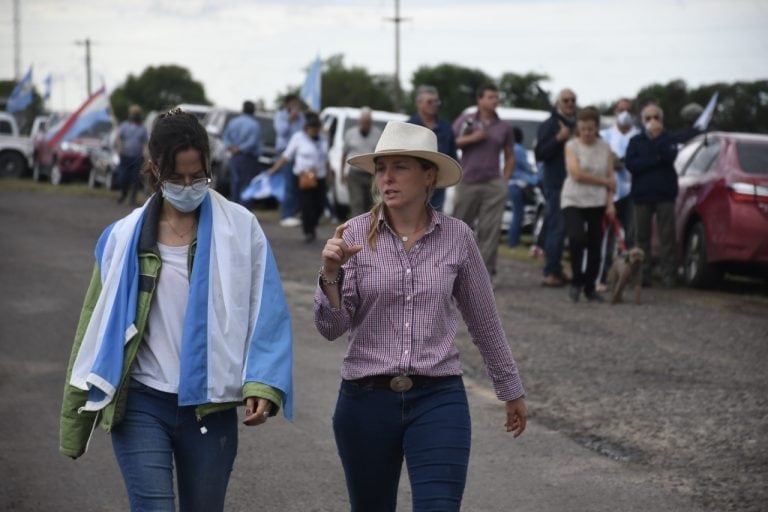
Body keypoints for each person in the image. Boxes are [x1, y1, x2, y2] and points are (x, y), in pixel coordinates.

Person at [59, 109, 294, 512]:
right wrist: (74, 417)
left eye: (197, 176)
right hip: (142, 403)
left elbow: (266, 312)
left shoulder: (242, 229)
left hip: (209, 407)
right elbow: (93, 328)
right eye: (176, 178)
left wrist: (263, 384)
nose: (188, 186)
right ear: (154, 170)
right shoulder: (121, 238)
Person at [314, 121, 527, 511]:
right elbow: (331, 327)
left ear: (429, 175)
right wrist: (331, 274)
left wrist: (510, 389)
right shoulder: (353, 235)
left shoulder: (458, 237)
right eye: (381, 168)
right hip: (364, 401)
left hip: (438, 397)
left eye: (400, 167)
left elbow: (484, 322)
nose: (387, 178)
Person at [452, 83, 515, 278]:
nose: (494, 101)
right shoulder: (466, 120)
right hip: (467, 180)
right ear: (479, 100)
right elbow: (452, 142)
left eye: (496, 97)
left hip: (492, 183)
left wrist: (504, 181)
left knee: (490, 230)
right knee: (460, 227)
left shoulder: (504, 127)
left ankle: (484, 276)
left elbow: (510, 155)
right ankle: (453, 271)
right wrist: (473, 138)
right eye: (490, 97)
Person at [562, 106, 616, 302]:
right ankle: (576, 280)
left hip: (597, 201)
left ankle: (590, 286)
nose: (586, 133)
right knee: (577, 238)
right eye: (583, 129)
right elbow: (576, 174)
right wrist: (603, 182)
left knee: (596, 244)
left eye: (590, 129)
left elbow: (612, 177)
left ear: (597, 128)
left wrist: (610, 202)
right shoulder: (572, 146)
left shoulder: (605, 147)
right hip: (573, 199)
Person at [625, 103, 679, 287]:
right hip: (642, 195)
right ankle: (642, 275)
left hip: (665, 194)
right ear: (642, 121)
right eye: (648, 118)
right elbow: (632, 165)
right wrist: (655, 159)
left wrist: (657, 143)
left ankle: (668, 276)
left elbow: (670, 157)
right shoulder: (636, 141)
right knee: (641, 238)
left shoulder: (669, 139)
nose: (652, 121)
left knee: (667, 237)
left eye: (656, 117)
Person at [535, 88, 577, 287]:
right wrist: (559, 139)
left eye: (572, 100)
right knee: (556, 227)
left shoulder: (578, 125)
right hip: (556, 183)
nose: (569, 103)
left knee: (568, 228)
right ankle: (550, 271)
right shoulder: (549, 125)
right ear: (558, 103)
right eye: (565, 100)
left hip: (577, 183)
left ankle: (558, 268)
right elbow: (540, 152)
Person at [597, 98, 640, 289]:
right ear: (615, 111)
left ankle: (629, 278)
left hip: (632, 192)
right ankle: (604, 274)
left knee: (631, 236)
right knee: (606, 236)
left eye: (628, 110)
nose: (624, 114)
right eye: (621, 110)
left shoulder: (639, 136)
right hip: (609, 192)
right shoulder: (605, 135)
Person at [268, 112, 328, 243]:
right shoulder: (298, 138)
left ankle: (312, 223)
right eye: (312, 128)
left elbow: (325, 159)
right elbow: (286, 156)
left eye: (316, 128)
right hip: (303, 177)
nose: (314, 131)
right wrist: (273, 169)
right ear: (307, 128)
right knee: (307, 205)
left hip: (319, 177)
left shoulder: (323, 139)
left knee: (320, 205)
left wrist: (330, 175)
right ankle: (308, 231)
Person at [407, 84, 458, 212]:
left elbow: (452, 155)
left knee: (435, 218)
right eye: (430, 102)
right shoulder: (407, 126)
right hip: (412, 182)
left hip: (438, 183)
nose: (434, 104)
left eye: (436, 101)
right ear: (419, 104)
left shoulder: (446, 126)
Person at [340, 107, 382, 217]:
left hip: (371, 174)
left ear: (371, 122)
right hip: (354, 174)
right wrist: (342, 173)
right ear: (359, 121)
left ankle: (371, 229)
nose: (365, 124)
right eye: (363, 122)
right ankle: (357, 229)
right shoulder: (350, 133)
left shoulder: (377, 134)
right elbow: (344, 154)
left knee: (372, 203)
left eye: (367, 122)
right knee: (357, 202)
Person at [274, 93, 306, 227]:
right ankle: (286, 214)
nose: (295, 106)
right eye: (292, 103)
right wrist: (290, 120)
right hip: (285, 153)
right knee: (289, 184)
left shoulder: (301, 117)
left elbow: (304, 132)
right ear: (287, 104)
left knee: (298, 185)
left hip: (299, 153)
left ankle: (294, 212)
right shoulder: (280, 115)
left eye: (296, 103)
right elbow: (281, 132)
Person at [222, 100, 261, 207]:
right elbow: (252, 142)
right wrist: (240, 149)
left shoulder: (233, 122)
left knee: (235, 182)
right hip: (248, 157)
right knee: (246, 184)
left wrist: (232, 148)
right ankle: (244, 209)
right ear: (253, 110)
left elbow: (226, 138)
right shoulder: (254, 125)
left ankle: (234, 207)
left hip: (234, 157)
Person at [507, 126, 538, 248]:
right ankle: (513, 242)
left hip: (510, 184)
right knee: (518, 215)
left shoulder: (508, 148)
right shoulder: (519, 149)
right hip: (518, 185)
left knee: (516, 213)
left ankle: (512, 240)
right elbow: (527, 167)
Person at [115, 105, 148, 206]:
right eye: (134, 114)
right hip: (125, 156)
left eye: (137, 114)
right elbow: (118, 138)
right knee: (123, 178)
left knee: (135, 179)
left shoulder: (143, 129)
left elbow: (145, 142)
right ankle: (123, 193)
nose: (135, 116)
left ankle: (133, 198)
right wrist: (120, 148)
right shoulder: (124, 126)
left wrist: (145, 153)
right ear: (130, 115)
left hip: (137, 157)